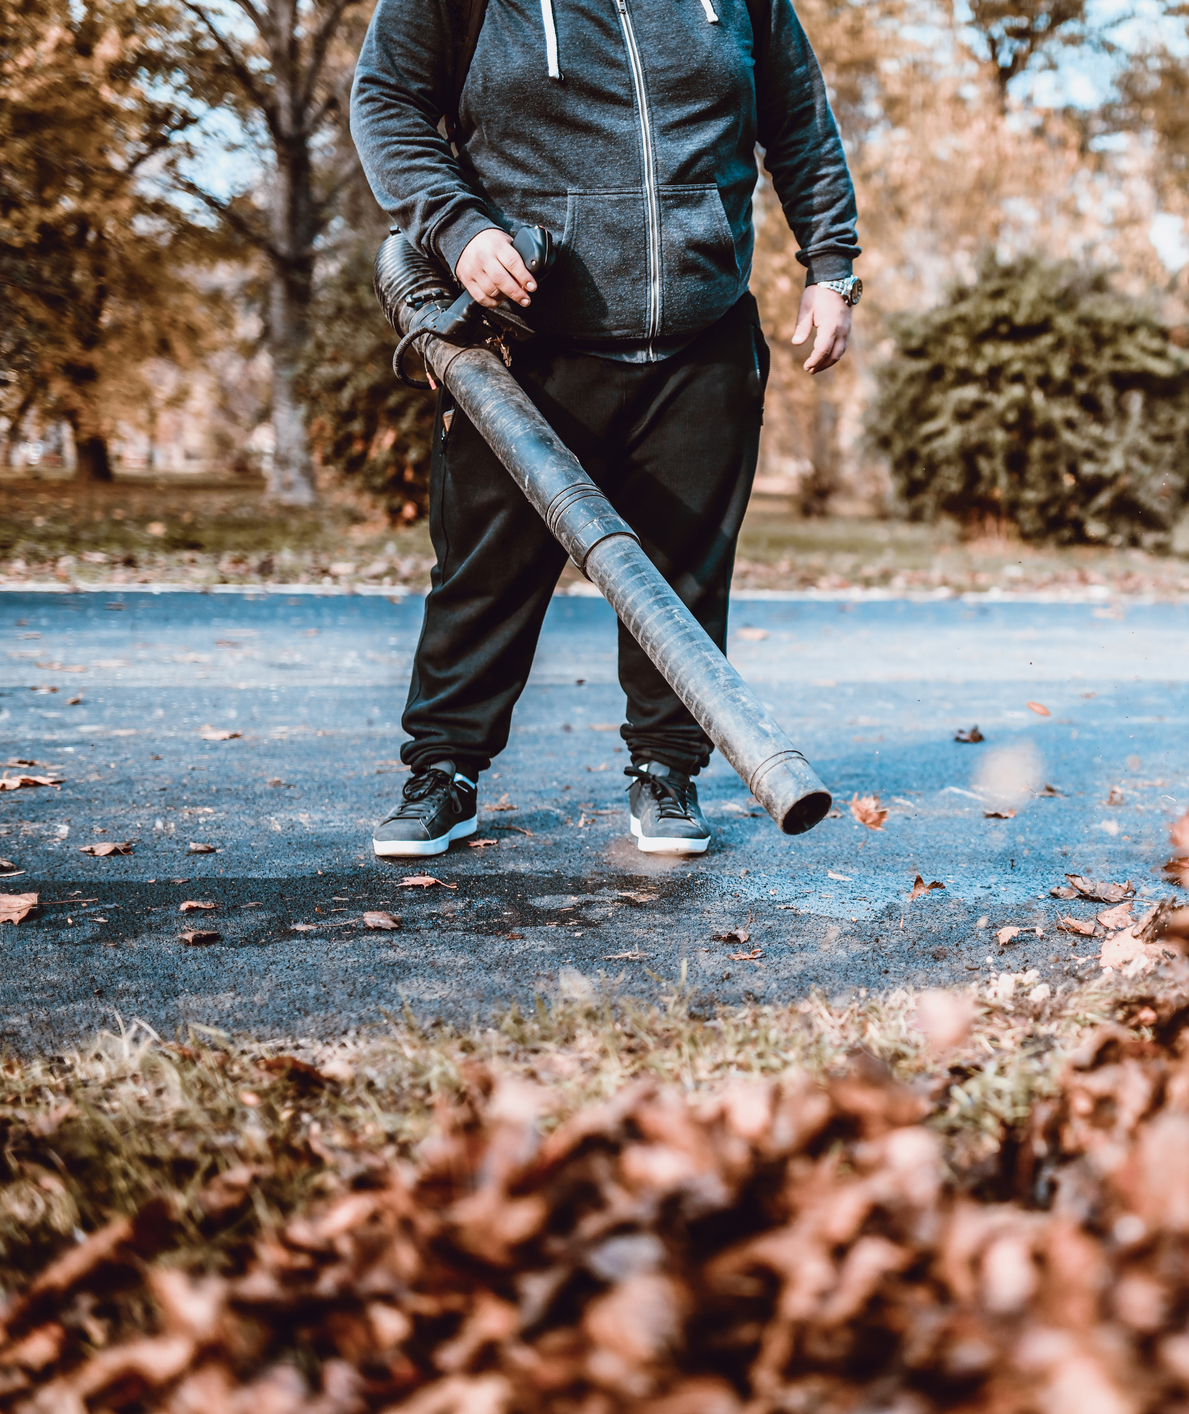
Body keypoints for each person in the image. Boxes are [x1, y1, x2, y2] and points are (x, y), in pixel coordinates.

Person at [350, 0, 860, 858]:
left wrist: (831, 265)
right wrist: (457, 227)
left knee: (684, 577)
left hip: (702, 336)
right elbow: (386, 100)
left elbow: (799, 117)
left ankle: (666, 771)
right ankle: (445, 772)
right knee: (484, 574)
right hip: (523, 341)